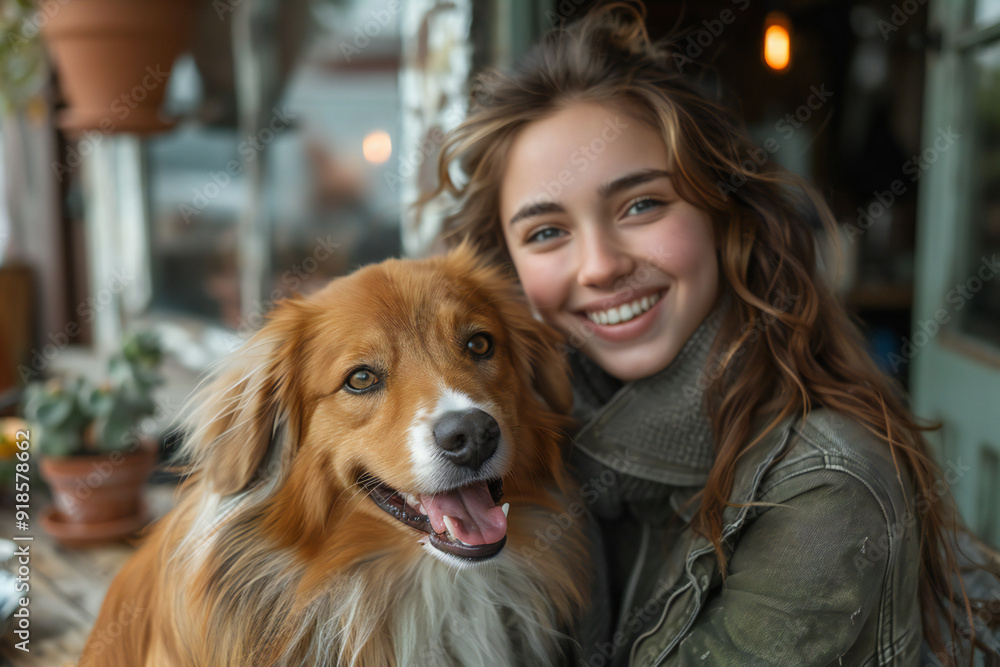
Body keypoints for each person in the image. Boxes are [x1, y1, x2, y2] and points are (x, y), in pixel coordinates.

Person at [421, 2, 1000, 665]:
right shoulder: (520, 443)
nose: (602, 265)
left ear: (723, 215)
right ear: (508, 270)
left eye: (642, 204)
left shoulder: (824, 487)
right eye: (547, 232)